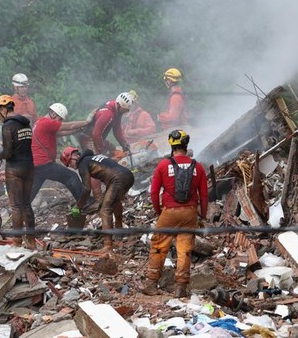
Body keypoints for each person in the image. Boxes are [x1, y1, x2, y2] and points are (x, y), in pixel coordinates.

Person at [143, 129, 208, 298]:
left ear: (172, 146)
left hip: (169, 212)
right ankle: (180, 288)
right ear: (186, 145)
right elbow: (204, 194)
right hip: (190, 213)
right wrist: (203, 215)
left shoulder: (163, 165)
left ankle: (151, 284)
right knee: (185, 249)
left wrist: (158, 210)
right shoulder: (197, 167)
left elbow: (154, 191)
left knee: (159, 245)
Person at [60, 147, 134, 253]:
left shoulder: (83, 164)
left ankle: (108, 245)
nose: (71, 166)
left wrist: (78, 206)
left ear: (73, 157)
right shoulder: (93, 157)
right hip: (127, 175)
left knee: (105, 210)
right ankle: (119, 230)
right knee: (115, 202)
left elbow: (86, 189)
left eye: (69, 163)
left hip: (117, 179)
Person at [0, 95, 36, 249]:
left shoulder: (8, 126)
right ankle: (31, 241)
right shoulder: (26, 124)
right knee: (26, 204)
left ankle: (17, 242)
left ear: (3, 109)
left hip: (14, 169)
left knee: (16, 206)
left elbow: (8, 153)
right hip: (29, 167)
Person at [30, 103, 92, 208]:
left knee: (30, 194)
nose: (60, 122)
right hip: (44, 164)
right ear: (53, 114)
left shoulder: (40, 122)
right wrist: (87, 122)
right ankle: (85, 203)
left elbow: (62, 133)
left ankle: (19, 211)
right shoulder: (47, 122)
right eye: (60, 119)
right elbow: (69, 126)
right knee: (71, 177)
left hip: (36, 165)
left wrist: (80, 129)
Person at [79, 92, 134, 156]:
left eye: (127, 110)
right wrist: (102, 150)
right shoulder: (108, 114)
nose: (125, 112)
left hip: (97, 137)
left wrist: (124, 144)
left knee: (113, 150)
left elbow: (117, 129)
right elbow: (96, 134)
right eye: (125, 110)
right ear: (119, 105)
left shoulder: (117, 109)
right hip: (89, 138)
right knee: (100, 159)